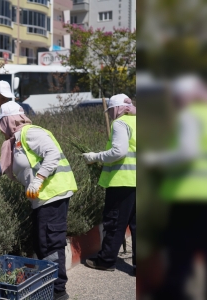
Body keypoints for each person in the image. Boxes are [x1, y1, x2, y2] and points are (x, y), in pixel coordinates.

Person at [0, 101, 77, 300]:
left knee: (51, 242)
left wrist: (39, 178)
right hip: (41, 198)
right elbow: (3, 167)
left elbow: (52, 154)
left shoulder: (31, 133)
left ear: (10, 120)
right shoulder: (15, 141)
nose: (1, 128)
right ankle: (46, 285)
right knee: (40, 241)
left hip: (52, 194)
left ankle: (58, 291)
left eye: (2, 123)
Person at [141, 75, 207, 299]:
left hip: (188, 196)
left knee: (181, 251)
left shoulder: (191, 116)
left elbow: (187, 152)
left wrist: (155, 160)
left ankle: (173, 292)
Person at [82, 94, 136, 274]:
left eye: (111, 110)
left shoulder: (121, 123)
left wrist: (95, 157)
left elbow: (118, 151)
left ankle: (106, 261)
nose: (111, 114)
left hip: (123, 181)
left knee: (115, 222)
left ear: (117, 108)